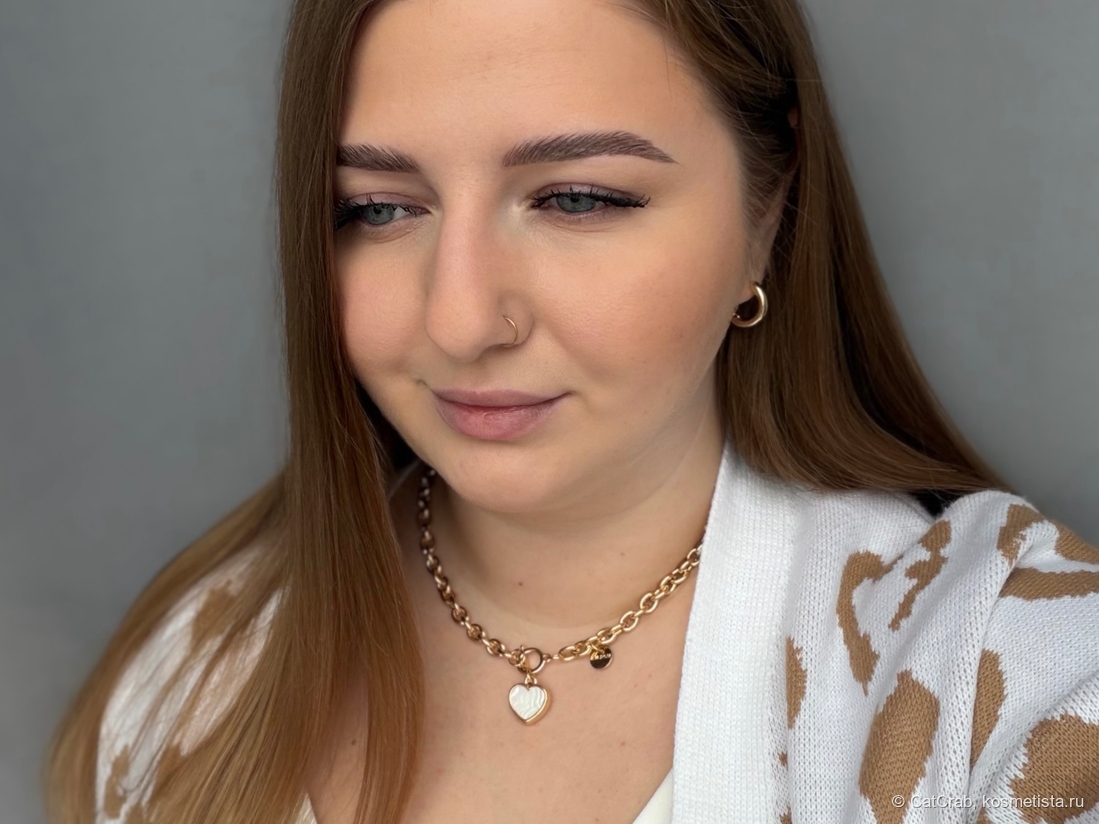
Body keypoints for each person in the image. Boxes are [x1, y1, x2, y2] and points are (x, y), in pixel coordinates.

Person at [44, 0, 1099, 822]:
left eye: (578, 198)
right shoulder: (196, 674)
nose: (462, 320)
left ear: (767, 211)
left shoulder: (1021, 685)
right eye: (377, 208)